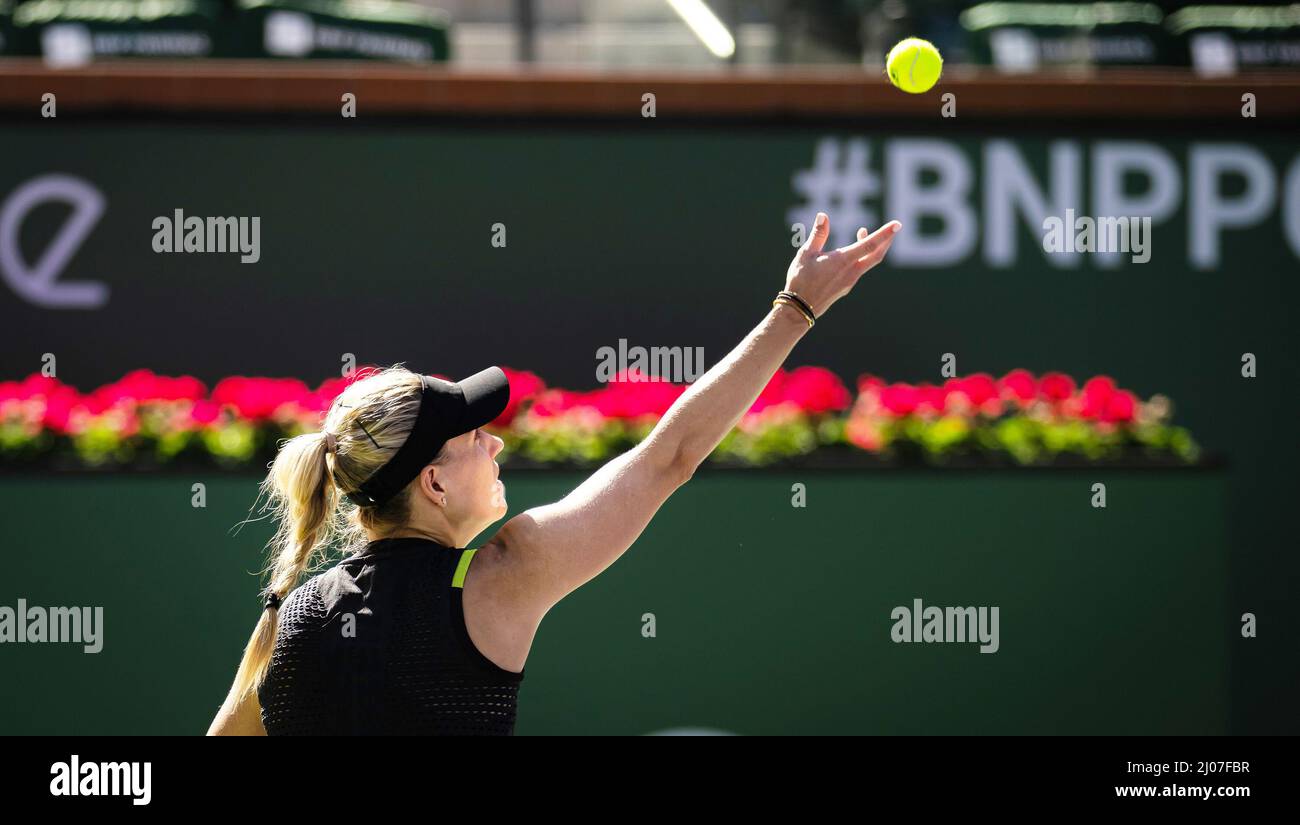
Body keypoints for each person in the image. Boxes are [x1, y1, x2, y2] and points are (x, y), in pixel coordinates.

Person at [206, 213, 900, 735]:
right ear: (434, 484)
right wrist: (795, 310)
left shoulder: (295, 614)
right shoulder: (501, 575)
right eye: (475, 437)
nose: (496, 446)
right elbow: (670, 455)